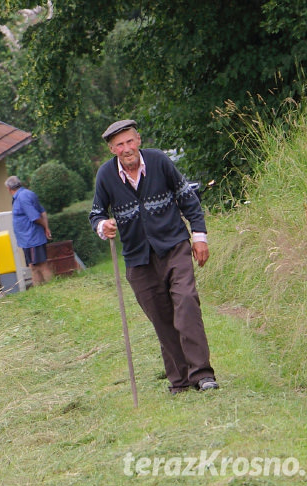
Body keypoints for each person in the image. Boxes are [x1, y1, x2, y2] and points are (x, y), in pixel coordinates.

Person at [89, 119, 219, 394]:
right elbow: (96, 213)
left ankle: (203, 374)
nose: (127, 148)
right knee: (162, 320)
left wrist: (199, 237)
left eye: (131, 141)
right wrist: (104, 226)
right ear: (113, 149)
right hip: (138, 259)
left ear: (139, 140)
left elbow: (188, 199)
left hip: (174, 247)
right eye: (120, 144)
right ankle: (181, 380)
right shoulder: (105, 176)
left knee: (185, 304)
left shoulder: (159, 161)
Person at [5, 176, 54, 286]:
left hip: (31, 237)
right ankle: (43, 290)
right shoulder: (27, 193)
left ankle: (50, 287)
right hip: (29, 238)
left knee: (40, 266)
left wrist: (45, 227)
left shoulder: (22, 198)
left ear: (8, 188)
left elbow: (35, 217)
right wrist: (46, 227)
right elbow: (43, 212)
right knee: (34, 266)